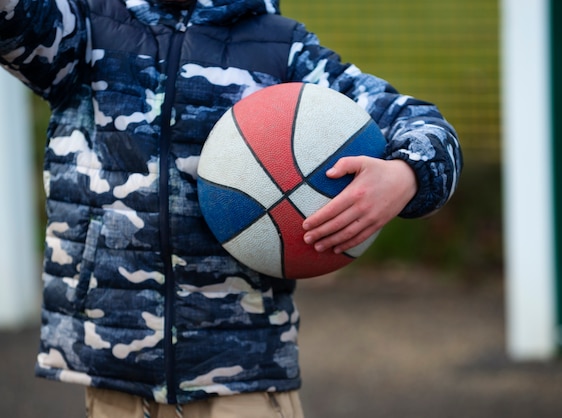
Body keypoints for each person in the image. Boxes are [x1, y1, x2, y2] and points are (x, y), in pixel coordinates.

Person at [0, 0, 463, 417]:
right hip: (114, 373)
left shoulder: (279, 47)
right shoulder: (80, 30)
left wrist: (406, 175)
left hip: (242, 379)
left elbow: (421, 123)